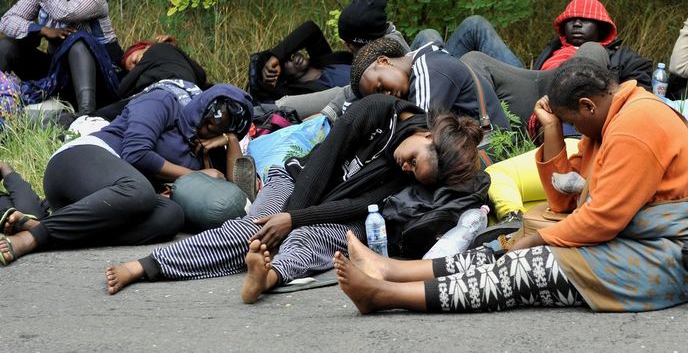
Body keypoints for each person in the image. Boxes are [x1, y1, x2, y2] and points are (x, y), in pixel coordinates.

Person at [333, 58, 688, 314]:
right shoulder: (609, 121)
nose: (574, 131)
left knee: (525, 266)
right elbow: (565, 200)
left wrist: (535, 239)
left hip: (664, 256)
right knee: (508, 245)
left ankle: (383, 295)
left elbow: (603, 218)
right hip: (637, 241)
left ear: (587, 106)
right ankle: (390, 269)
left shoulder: (633, 126)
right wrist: (551, 130)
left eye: (570, 123)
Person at [104, 94, 484, 302]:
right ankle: (145, 266)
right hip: (297, 179)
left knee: (307, 240)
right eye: (413, 161)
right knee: (251, 230)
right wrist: (287, 216)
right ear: (429, 136)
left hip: (336, 216)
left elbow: (358, 206)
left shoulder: (400, 173)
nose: (406, 167)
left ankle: (265, 277)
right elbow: (321, 161)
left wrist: (294, 223)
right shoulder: (378, 111)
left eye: (414, 174)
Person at [0, 82, 254, 266]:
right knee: (139, 190)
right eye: (208, 121)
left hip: (105, 204)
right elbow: (136, 153)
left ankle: (49, 228)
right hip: (79, 161)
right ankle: (34, 237)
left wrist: (231, 140)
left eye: (216, 129)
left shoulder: (203, 151)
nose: (206, 130)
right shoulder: (163, 103)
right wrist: (192, 175)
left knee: (171, 217)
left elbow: (236, 193)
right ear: (202, 105)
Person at [411, 0, 652, 89]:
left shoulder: (621, 56)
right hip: (528, 81)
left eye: (585, 20)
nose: (576, 24)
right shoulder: (554, 47)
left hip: (562, 91)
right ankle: (425, 82)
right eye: (571, 19)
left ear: (601, 27)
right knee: (443, 33)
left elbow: (642, 89)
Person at [0, 0, 123, 116]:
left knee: (77, 41)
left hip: (100, 79)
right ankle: (3, 106)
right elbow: (6, 21)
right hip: (58, 77)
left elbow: (63, 12)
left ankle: (86, 116)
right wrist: (42, 30)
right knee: (7, 46)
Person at [273, 0, 411, 122]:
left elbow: (350, 93)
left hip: (348, 100)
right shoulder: (319, 67)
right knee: (283, 104)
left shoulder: (389, 51)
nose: (346, 45)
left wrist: (329, 113)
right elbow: (310, 29)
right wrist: (275, 56)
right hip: (287, 102)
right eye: (287, 60)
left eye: (349, 42)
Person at [350, 37, 511, 130]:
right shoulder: (429, 62)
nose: (386, 96)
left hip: (492, 155)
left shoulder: (427, 67)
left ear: (384, 61)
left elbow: (419, 130)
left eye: (380, 87)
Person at [92, 35, 209, 121]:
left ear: (146, 47)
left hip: (165, 91)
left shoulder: (155, 49)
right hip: (190, 98)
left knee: (99, 116)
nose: (136, 68)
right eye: (131, 70)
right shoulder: (176, 59)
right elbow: (201, 75)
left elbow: (122, 90)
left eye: (135, 61)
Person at [251, 20, 352, 103]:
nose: (292, 57)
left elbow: (310, 28)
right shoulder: (308, 96)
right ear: (279, 77)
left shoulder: (325, 60)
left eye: (291, 53)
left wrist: (275, 56)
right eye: (285, 60)